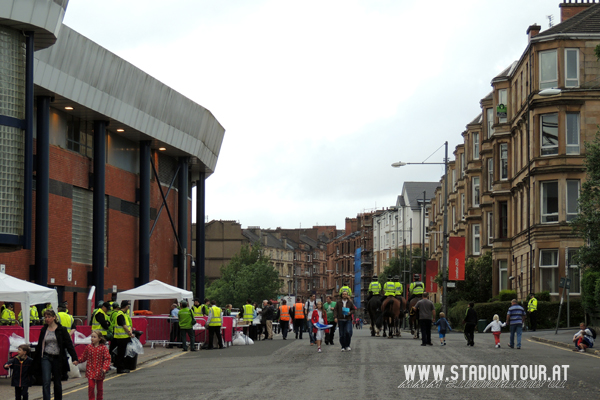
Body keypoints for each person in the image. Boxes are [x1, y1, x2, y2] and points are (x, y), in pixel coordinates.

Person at [33, 309, 79, 400]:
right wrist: (35, 359)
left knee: (57, 381)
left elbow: (68, 344)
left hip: (57, 358)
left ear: (54, 317)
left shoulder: (61, 330)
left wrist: (74, 357)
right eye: (45, 317)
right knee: (46, 381)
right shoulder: (44, 330)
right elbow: (39, 345)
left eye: (49, 317)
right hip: (46, 357)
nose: (47, 319)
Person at [78, 331, 111, 400]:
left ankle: (99, 398)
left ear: (99, 339)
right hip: (90, 370)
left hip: (100, 371)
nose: (92, 338)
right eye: (91, 337)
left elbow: (107, 359)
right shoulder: (88, 347)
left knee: (99, 388)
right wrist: (78, 361)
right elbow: (84, 357)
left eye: (94, 337)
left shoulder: (103, 348)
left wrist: (105, 368)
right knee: (91, 387)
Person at [111, 300, 135, 372]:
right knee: (121, 354)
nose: (128, 307)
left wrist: (130, 331)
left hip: (124, 337)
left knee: (122, 353)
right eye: (128, 306)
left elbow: (128, 325)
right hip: (121, 338)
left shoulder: (124, 314)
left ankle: (122, 367)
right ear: (126, 306)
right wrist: (130, 333)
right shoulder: (120, 314)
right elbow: (124, 326)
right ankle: (120, 368)